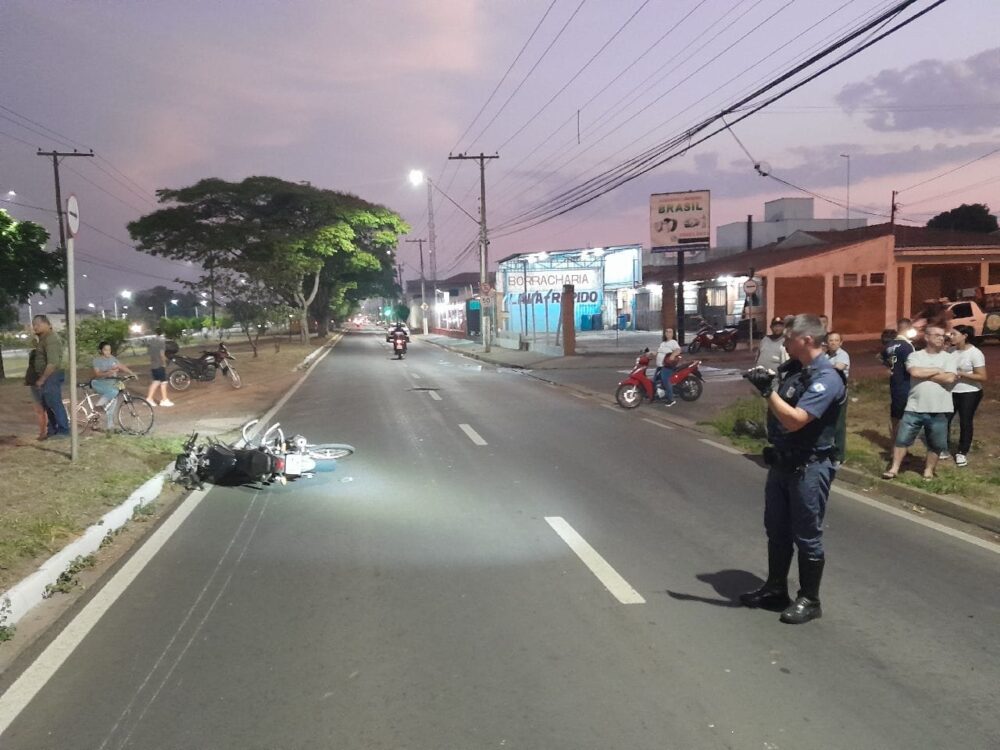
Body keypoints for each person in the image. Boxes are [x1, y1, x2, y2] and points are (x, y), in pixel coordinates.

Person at [739, 314, 844, 625]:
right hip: (783, 464)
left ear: (806, 340)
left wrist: (767, 391)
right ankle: (775, 589)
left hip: (809, 467)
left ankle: (810, 599)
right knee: (777, 531)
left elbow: (796, 419)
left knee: (807, 535)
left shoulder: (827, 378)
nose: (784, 342)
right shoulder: (797, 372)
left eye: (789, 338)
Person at [882, 324, 957, 481]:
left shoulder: (949, 357)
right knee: (902, 440)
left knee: (935, 443)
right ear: (927, 337)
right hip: (914, 406)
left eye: (942, 335)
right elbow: (914, 372)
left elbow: (950, 378)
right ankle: (894, 468)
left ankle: (928, 471)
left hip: (939, 407)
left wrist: (925, 373)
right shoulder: (915, 356)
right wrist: (938, 370)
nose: (940, 338)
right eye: (936, 335)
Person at [947, 325, 987, 467]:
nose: (950, 336)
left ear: (964, 336)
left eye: (954, 334)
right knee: (945, 418)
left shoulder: (975, 353)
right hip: (952, 391)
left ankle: (962, 452)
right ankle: (944, 448)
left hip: (970, 392)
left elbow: (982, 376)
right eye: (950, 334)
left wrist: (962, 374)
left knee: (965, 421)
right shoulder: (951, 351)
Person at [32, 315, 70, 439]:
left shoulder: (51, 338)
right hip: (46, 376)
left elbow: (52, 363)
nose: (35, 327)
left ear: (47, 324)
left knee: (54, 403)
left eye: (38, 324)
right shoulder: (43, 339)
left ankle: (64, 431)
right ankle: (52, 430)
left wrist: (42, 379)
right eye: (34, 325)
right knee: (47, 404)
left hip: (51, 375)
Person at [91, 341, 138, 431]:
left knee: (113, 402)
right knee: (114, 392)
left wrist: (131, 373)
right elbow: (97, 374)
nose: (108, 352)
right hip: (99, 383)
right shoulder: (97, 360)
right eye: (105, 350)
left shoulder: (112, 359)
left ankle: (110, 424)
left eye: (109, 350)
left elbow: (121, 366)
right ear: (101, 351)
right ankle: (98, 406)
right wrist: (109, 372)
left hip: (111, 383)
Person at [881, 321, 915, 442]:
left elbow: (883, 358)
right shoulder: (907, 346)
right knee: (905, 419)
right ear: (908, 329)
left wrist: (890, 368)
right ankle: (900, 447)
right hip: (906, 384)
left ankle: (894, 444)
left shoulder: (890, 345)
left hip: (894, 384)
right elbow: (911, 366)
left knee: (895, 416)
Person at [825, 332, 851, 465]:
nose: (833, 343)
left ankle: (839, 455)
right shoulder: (824, 356)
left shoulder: (843, 355)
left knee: (838, 424)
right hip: (826, 394)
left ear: (841, 342)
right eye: (831, 340)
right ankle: (827, 451)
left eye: (836, 340)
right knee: (826, 423)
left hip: (839, 394)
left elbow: (838, 368)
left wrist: (821, 368)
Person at [23, 342, 48, 440]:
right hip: (35, 383)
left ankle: (44, 432)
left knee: (42, 410)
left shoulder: (38, 355)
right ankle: (43, 432)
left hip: (39, 383)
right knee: (41, 410)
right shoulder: (36, 354)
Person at [145, 328, 174, 407]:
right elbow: (162, 354)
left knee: (156, 381)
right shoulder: (161, 342)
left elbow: (149, 353)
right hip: (159, 365)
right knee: (163, 382)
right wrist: (164, 363)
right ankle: (164, 400)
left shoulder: (152, 341)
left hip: (153, 365)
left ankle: (149, 398)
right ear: (163, 333)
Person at [654, 327, 681, 407]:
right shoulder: (663, 343)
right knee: (655, 380)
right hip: (660, 366)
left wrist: (673, 355)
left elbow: (678, 350)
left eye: (670, 332)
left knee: (666, 381)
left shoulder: (673, 342)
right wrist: (650, 354)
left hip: (667, 366)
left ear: (672, 334)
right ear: (665, 333)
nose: (668, 333)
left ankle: (671, 399)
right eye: (667, 332)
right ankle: (661, 394)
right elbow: (658, 352)